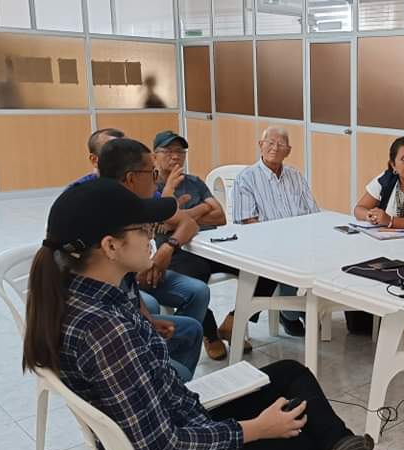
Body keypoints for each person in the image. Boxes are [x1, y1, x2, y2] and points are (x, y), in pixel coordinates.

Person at [22, 179, 404, 450]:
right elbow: (163, 446)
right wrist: (253, 430)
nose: (152, 237)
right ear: (109, 246)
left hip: (173, 426)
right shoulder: (105, 331)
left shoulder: (88, 291)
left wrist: (149, 328)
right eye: (143, 230)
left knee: (289, 374)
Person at [152, 130, 274, 360]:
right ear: (154, 156)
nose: (175, 156)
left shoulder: (194, 182)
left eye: (180, 151)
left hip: (213, 244)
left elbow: (220, 217)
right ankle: (210, 335)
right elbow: (163, 221)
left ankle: (234, 321)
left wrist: (183, 216)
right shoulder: (151, 188)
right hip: (179, 250)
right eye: (168, 151)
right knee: (196, 285)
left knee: (265, 267)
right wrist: (201, 210)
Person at [98, 138, 209, 380]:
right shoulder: (104, 216)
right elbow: (117, 291)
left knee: (193, 312)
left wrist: (164, 251)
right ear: (131, 178)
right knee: (151, 306)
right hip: (117, 320)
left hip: (135, 285)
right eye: (152, 173)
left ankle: (167, 371)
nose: (150, 238)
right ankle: (164, 373)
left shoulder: (143, 203)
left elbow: (188, 222)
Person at [227, 127, 321, 340]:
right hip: (264, 241)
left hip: (299, 238)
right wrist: (279, 239)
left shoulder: (295, 175)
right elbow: (248, 221)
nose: (275, 148)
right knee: (285, 257)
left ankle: (306, 307)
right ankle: (289, 313)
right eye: (269, 142)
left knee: (320, 251)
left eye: (280, 144)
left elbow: (313, 212)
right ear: (260, 145)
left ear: (288, 150)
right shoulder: (247, 178)